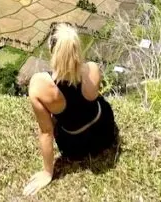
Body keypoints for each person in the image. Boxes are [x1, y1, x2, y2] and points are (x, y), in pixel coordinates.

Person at [24, 24, 119, 196]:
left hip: (76, 146)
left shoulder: (40, 85)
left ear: (52, 50)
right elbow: (82, 100)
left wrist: (47, 172)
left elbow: (46, 132)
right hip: (105, 131)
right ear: (77, 48)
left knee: (59, 117)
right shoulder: (93, 69)